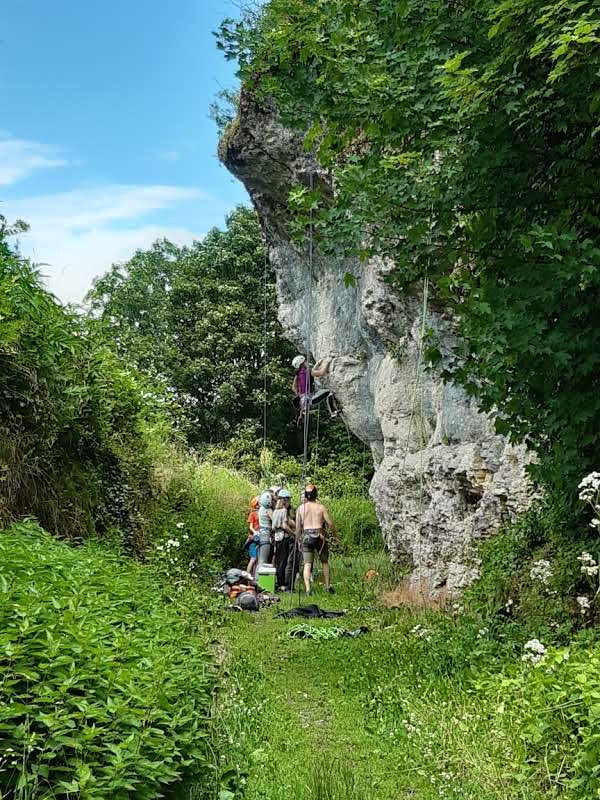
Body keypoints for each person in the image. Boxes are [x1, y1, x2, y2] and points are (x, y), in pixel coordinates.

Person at [296, 483, 337, 595]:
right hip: (319, 537)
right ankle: (328, 586)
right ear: (316, 494)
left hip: (306, 536)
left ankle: (308, 589)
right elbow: (330, 524)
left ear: (306, 495)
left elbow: (298, 527)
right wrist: (335, 537)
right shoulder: (321, 507)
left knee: (307, 563)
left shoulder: (300, 508)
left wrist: (297, 540)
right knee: (324, 561)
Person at [291, 355, 340, 425]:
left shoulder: (298, 375)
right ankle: (333, 412)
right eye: (305, 361)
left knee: (324, 392)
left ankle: (333, 410)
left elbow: (293, 387)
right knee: (328, 393)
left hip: (304, 399)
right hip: (309, 399)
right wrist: (327, 362)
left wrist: (299, 394)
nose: (307, 362)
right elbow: (321, 372)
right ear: (303, 364)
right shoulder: (307, 371)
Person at [271, 488, 296, 590]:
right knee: (284, 561)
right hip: (284, 537)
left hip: (277, 537)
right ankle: (283, 584)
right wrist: (294, 534)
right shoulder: (284, 510)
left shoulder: (275, 511)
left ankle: (279, 582)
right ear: (285, 500)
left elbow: (274, 526)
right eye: (289, 499)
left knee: (279, 561)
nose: (289, 501)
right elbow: (285, 526)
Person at [257, 491, 274, 566]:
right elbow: (274, 521)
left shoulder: (261, 509)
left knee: (260, 559)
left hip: (261, 533)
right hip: (267, 534)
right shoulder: (268, 510)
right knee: (263, 560)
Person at [244, 496, 260, 576]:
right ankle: (247, 576)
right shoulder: (252, 514)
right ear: (256, 504)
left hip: (260, 538)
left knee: (258, 559)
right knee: (253, 558)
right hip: (253, 538)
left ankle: (254, 576)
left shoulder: (262, 513)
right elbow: (250, 526)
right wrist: (255, 532)